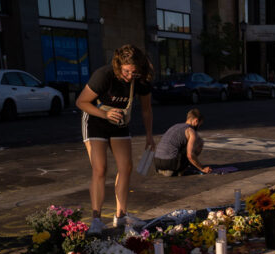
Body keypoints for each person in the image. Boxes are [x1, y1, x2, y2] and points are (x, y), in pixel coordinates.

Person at [77, 44, 154, 234]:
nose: (130, 76)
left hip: (119, 122)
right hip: (96, 120)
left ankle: (120, 216)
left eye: (134, 72)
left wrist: (149, 136)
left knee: (126, 167)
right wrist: (105, 114)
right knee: (100, 168)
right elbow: (81, 102)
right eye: (127, 71)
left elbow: (146, 110)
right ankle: (96, 220)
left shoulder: (141, 80)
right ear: (119, 65)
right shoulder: (104, 75)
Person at [154, 108, 212, 176]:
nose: (199, 127)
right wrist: (202, 168)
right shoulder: (191, 131)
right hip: (170, 163)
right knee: (199, 142)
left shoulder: (175, 126)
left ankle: (166, 169)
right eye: (200, 124)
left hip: (157, 162)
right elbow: (190, 155)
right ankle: (181, 168)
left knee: (178, 145)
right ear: (196, 121)